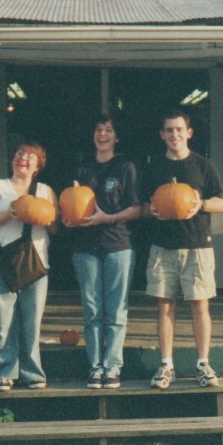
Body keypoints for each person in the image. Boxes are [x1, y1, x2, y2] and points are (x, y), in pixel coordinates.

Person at [140, 109, 223, 389]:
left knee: (199, 305)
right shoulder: (154, 167)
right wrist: (151, 209)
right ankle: (167, 365)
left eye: (179, 130)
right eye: (169, 130)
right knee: (165, 305)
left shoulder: (203, 166)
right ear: (162, 135)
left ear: (188, 133)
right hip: (163, 245)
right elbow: (142, 206)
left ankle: (203, 363)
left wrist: (201, 205)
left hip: (197, 244)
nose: (174, 135)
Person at [65, 115, 142, 389]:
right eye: (98, 129)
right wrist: (68, 218)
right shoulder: (82, 169)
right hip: (85, 248)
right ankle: (95, 367)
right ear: (93, 135)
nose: (103, 134)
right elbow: (71, 205)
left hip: (118, 245)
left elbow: (137, 208)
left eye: (109, 129)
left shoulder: (125, 167)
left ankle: (113, 367)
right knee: (92, 310)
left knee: (116, 311)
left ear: (116, 137)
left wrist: (107, 218)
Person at [0, 141, 59, 390]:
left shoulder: (45, 191)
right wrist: (10, 214)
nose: (22, 158)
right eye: (19, 153)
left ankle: (33, 373)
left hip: (35, 263)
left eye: (30, 156)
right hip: (0, 262)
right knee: (2, 322)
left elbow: (55, 227)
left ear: (37, 166)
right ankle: (4, 372)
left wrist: (45, 217)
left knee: (31, 322)